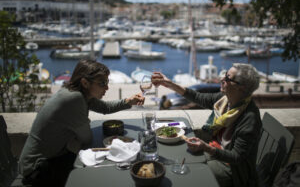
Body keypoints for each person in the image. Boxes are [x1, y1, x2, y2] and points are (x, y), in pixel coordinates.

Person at [19, 59, 145, 187]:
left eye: (107, 82)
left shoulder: (79, 93)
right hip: (38, 170)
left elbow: (105, 108)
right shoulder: (75, 99)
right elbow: (86, 138)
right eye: (102, 83)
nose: (107, 87)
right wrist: (75, 139)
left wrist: (129, 101)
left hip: (47, 159)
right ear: (85, 82)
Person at [152, 63, 262, 187]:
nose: (222, 79)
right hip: (214, 151)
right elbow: (197, 97)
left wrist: (206, 148)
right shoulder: (225, 100)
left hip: (233, 170)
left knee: (189, 173)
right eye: (224, 75)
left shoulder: (249, 118)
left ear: (241, 87)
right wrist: (169, 84)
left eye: (228, 78)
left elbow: (236, 157)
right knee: (178, 158)